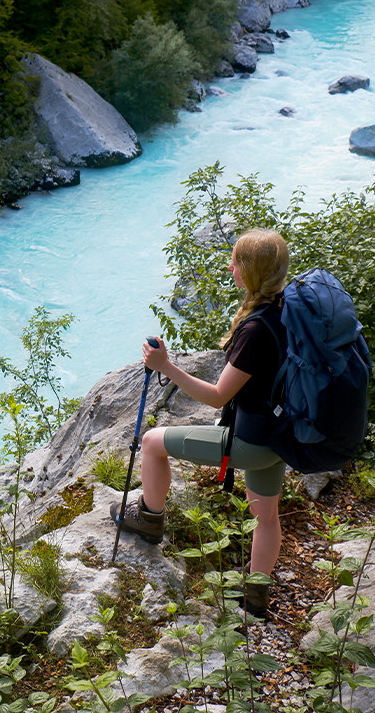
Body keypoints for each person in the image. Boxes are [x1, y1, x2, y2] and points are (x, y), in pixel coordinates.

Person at [110, 228, 289, 618]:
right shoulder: (286, 308)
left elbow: (218, 396)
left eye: (237, 262)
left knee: (154, 441)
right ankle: (256, 595)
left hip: (253, 441)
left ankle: (149, 519)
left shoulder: (256, 330)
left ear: (253, 272)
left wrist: (165, 366)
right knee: (267, 516)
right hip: (282, 435)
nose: (230, 267)